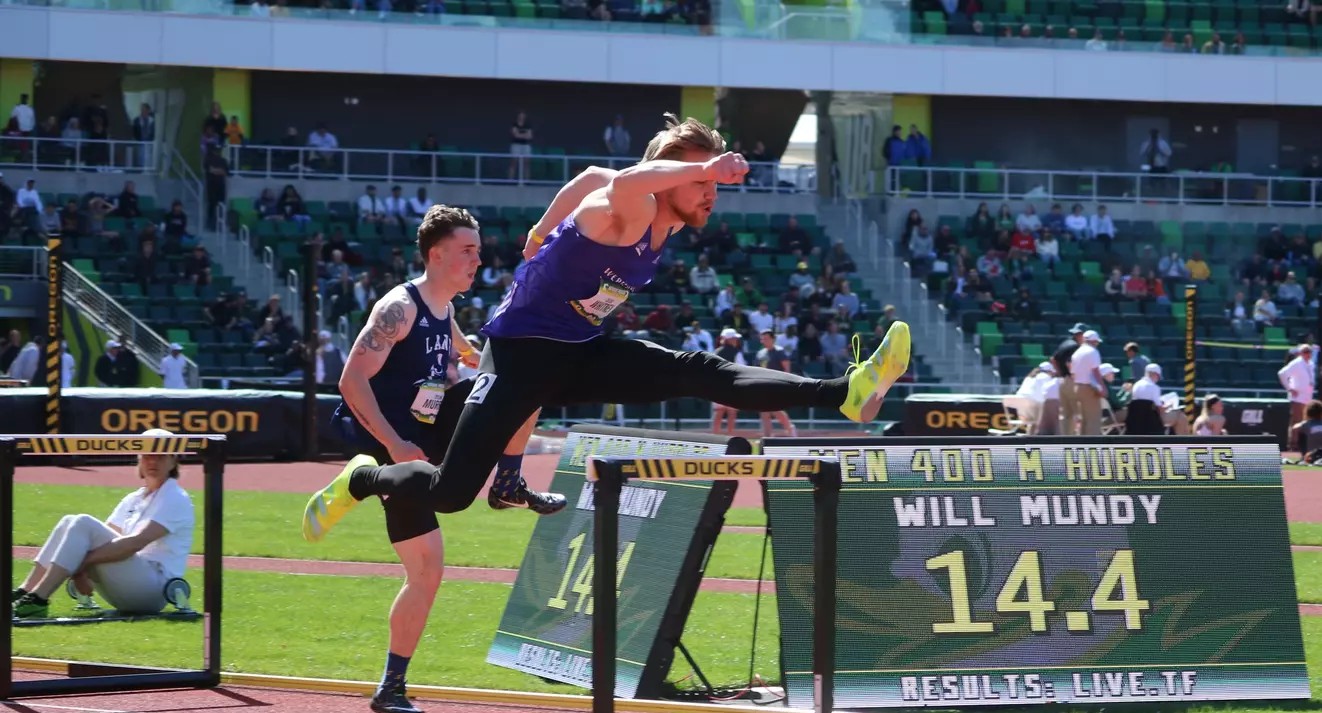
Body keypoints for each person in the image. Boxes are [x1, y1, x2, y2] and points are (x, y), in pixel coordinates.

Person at [302, 115, 910, 540]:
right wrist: (704, 166)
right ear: (669, 176)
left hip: (579, 351)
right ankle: (363, 478)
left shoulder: (662, 216)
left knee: (699, 372)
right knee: (451, 492)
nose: (710, 194)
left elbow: (593, 172)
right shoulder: (635, 207)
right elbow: (616, 182)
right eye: (700, 182)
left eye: (711, 182)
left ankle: (847, 391)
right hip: (518, 356)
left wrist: (542, 229)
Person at [328, 205, 565, 713]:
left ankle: (508, 481)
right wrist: (392, 444)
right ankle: (391, 686)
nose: (478, 260)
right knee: (428, 569)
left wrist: (479, 356)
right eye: (467, 251)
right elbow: (350, 382)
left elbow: (463, 354)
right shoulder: (399, 308)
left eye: (478, 250)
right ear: (436, 255)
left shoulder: (446, 307)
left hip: (426, 435)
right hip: (392, 448)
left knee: (523, 382)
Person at [12, 428, 194, 619]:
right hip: (128, 582)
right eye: (147, 454)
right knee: (69, 521)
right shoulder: (134, 498)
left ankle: (38, 599)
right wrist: (79, 567)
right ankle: (25, 591)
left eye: (161, 456)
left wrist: (79, 565)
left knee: (82, 522)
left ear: (174, 461)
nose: (152, 461)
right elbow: (102, 536)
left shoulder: (175, 497)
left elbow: (135, 543)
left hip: (153, 591)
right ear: (139, 458)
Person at [1068, 329, 1105, 434]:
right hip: (1089, 388)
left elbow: (1073, 373)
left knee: (1084, 419)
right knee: (1093, 419)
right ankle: (1093, 445)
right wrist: (1102, 387)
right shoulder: (1092, 351)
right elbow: (1095, 371)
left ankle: (1082, 444)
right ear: (1094, 341)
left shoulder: (1077, 352)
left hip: (1077, 387)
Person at [1278, 343, 1316, 427]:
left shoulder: (1311, 364)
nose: (1308, 354)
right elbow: (1281, 373)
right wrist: (1289, 388)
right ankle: (1293, 440)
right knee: (1296, 422)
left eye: (1309, 351)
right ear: (1300, 353)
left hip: (1307, 398)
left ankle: (1302, 440)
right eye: (1305, 352)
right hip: (1297, 398)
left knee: (1305, 422)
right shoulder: (1296, 363)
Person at [1124, 363, 1164, 434]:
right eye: (1158, 376)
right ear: (1154, 374)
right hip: (1152, 421)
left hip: (1135, 422)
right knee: (1179, 417)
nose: (1158, 379)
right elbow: (1160, 410)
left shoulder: (1136, 385)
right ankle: (1182, 443)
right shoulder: (1155, 387)